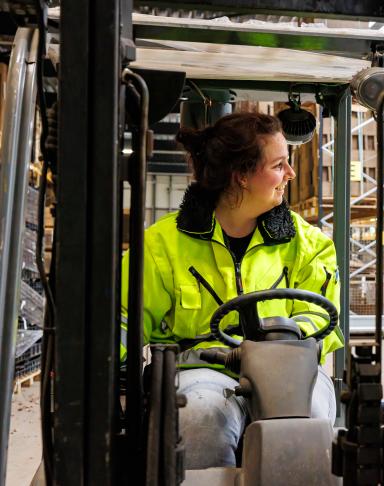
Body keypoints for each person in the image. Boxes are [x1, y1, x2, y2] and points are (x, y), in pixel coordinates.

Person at [120, 111, 344, 469]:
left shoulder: (308, 244)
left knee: (307, 421)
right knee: (200, 418)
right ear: (242, 175)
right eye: (279, 165)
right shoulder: (162, 245)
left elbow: (322, 313)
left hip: (289, 369)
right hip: (201, 371)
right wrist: (111, 366)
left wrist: (288, 334)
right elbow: (124, 316)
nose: (291, 174)